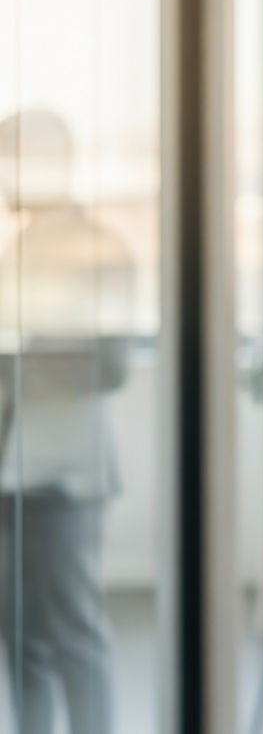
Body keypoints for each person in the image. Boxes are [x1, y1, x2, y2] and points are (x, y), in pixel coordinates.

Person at [0, 109, 133, 734]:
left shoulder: (97, 248)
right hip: (16, 471)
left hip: (61, 475)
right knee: (20, 641)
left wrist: (14, 362)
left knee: (72, 634)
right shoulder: (20, 245)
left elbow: (107, 365)